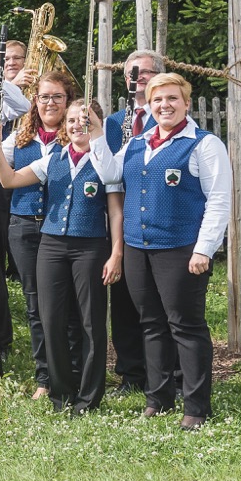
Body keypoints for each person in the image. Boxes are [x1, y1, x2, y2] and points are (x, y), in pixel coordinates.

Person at [96, 72, 231, 430]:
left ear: (186, 103)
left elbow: (219, 201)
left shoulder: (203, 144)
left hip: (181, 249)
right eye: (157, 99)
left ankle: (196, 407)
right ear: (150, 105)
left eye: (172, 98)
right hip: (138, 248)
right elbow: (109, 174)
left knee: (186, 327)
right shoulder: (137, 143)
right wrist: (94, 134)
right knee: (152, 324)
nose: (164, 105)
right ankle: (158, 399)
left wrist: (204, 249)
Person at [0, 99, 118, 413]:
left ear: (96, 124)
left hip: (90, 246)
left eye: (84, 120)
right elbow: (9, 180)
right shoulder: (53, 158)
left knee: (90, 322)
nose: (76, 126)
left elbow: (115, 208)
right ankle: (61, 394)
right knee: (52, 319)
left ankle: (89, 397)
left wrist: (116, 253)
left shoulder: (106, 159)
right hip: (52, 246)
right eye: (71, 121)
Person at [0, 71, 80, 400]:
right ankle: (45, 377)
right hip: (24, 227)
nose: (50, 103)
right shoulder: (20, 136)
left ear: (68, 101)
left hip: (61, 228)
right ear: (35, 101)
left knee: (67, 304)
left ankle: (72, 372)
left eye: (57, 96)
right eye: (44, 97)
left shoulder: (76, 134)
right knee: (35, 305)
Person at [100, 49, 162, 395]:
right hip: (118, 216)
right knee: (123, 300)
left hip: (152, 217)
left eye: (145, 72)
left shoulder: (166, 116)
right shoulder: (112, 122)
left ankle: (165, 373)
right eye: (131, 73)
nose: (137, 78)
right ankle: (131, 373)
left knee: (155, 302)